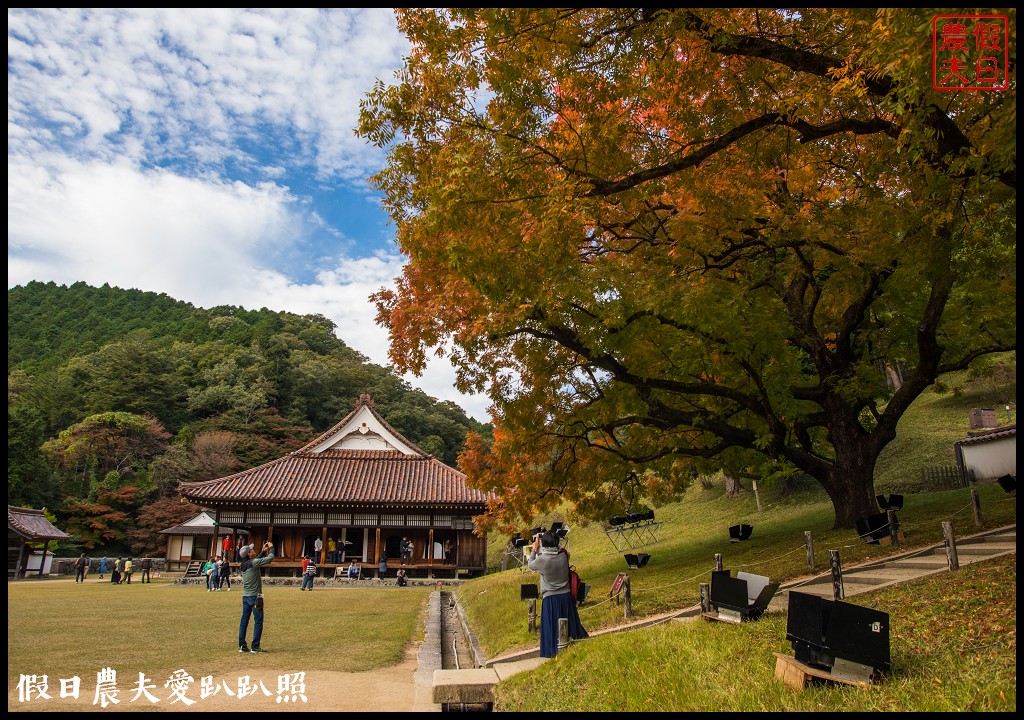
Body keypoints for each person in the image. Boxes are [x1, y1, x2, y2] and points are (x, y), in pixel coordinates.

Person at [527, 531, 588, 658]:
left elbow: (530, 564)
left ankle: (551, 652)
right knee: (570, 624)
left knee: (552, 628)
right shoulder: (564, 555)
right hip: (566, 596)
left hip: (550, 598)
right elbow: (560, 550)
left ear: (543, 544)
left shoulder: (542, 560)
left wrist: (534, 549)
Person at [238, 542, 275, 653]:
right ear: (249, 554)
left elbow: (254, 561)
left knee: (244, 621)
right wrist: (271, 548)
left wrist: (263, 551)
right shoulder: (253, 563)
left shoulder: (243, 565)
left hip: (246, 596)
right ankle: (255, 646)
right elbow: (270, 558)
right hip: (255, 597)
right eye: (252, 550)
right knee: (258, 621)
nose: (254, 551)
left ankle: (242, 645)